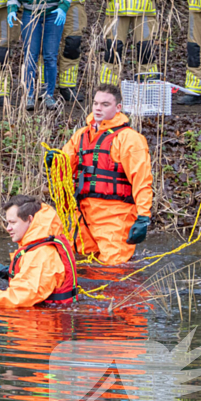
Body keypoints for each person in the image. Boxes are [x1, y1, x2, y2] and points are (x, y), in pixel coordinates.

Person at [55, 83, 153, 265]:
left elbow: (142, 180)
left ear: (118, 108)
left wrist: (143, 217)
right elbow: (64, 169)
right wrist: (55, 162)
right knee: (79, 264)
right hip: (82, 214)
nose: (98, 108)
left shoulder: (129, 139)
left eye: (105, 104)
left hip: (115, 215)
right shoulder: (81, 135)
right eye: (96, 103)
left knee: (114, 270)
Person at [0, 195, 78, 308]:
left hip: (42, 328)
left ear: (30, 220)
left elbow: (20, 298)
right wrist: (7, 272)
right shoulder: (37, 246)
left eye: (13, 223)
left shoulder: (41, 255)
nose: (8, 228)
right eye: (7, 223)